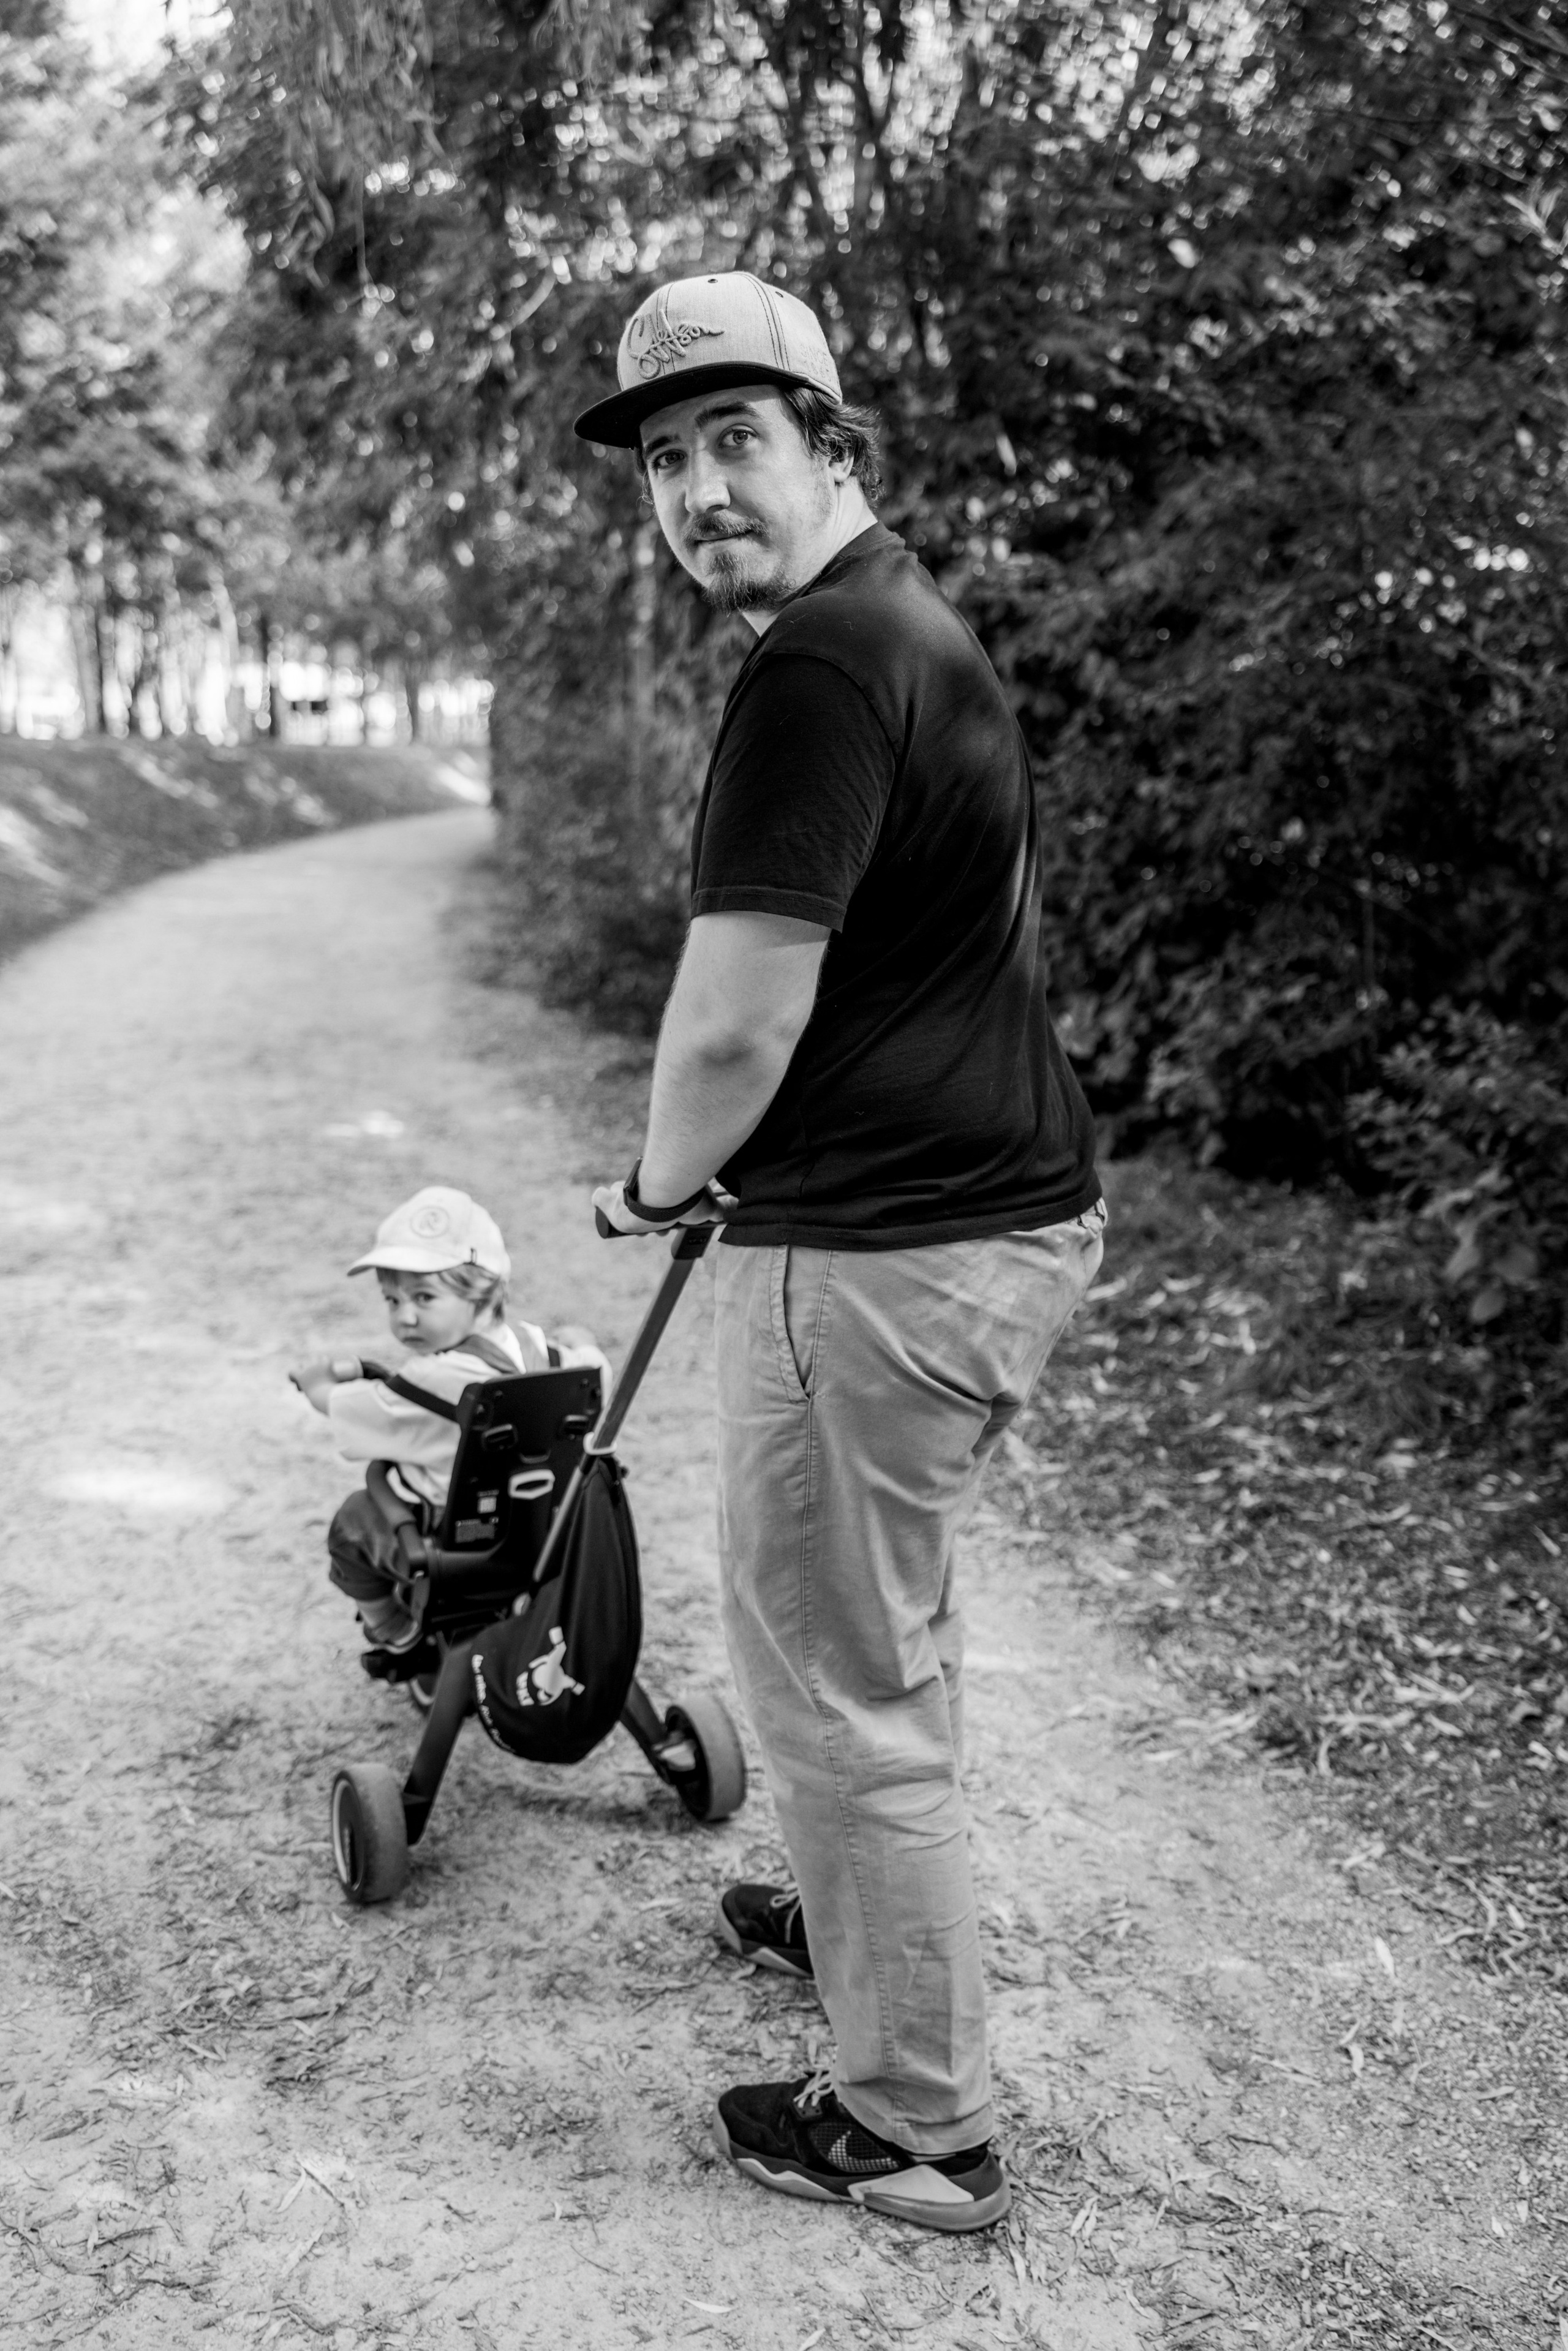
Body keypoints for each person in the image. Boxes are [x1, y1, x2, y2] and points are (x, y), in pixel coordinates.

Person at [579, 272, 1105, 2235]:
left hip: (889, 1255)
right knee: (879, 1630)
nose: (700, 487)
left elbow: (734, 1024)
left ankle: (914, 2127)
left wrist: (657, 1183)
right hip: (991, 1226)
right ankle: (859, 1912)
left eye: (737, 437)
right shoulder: (905, 623)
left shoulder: (817, 661)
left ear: (832, 446)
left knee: (829, 1668)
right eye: (665, 458)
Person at [292, 1185, 608, 1650]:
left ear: (483, 1295)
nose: (405, 1318)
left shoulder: (432, 1379)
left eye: (424, 1298)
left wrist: (316, 1383)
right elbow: (599, 1372)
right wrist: (586, 1345)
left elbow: (344, 1406)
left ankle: (390, 1626)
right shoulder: (543, 1351)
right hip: (547, 1530)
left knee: (351, 1524)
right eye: (392, 1300)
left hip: (454, 1541)